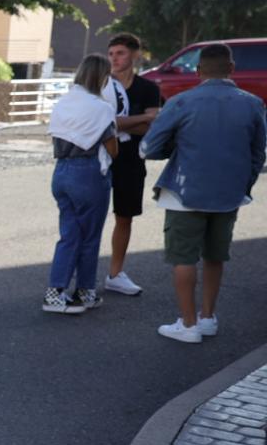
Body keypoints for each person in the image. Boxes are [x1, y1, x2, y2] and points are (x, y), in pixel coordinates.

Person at [139, 43, 267, 343]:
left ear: (198, 71)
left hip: (185, 191)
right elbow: (258, 154)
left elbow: (148, 147)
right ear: (232, 68)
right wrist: (243, 185)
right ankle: (208, 317)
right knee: (215, 256)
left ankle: (187, 324)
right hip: (229, 194)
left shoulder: (182, 102)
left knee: (184, 257)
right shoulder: (252, 104)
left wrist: (173, 147)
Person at [43, 55, 119, 314]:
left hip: (61, 171)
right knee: (89, 237)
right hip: (88, 174)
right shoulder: (101, 108)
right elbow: (112, 146)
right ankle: (85, 292)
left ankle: (56, 291)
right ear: (102, 77)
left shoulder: (63, 103)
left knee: (69, 235)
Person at [104, 33, 164, 296]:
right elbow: (105, 123)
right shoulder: (101, 84)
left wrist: (117, 121)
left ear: (135, 55)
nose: (114, 59)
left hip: (131, 159)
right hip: (102, 155)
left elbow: (152, 122)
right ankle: (80, 274)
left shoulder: (148, 88)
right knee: (90, 217)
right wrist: (138, 120)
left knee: (124, 216)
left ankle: (115, 274)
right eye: (111, 53)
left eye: (121, 53)